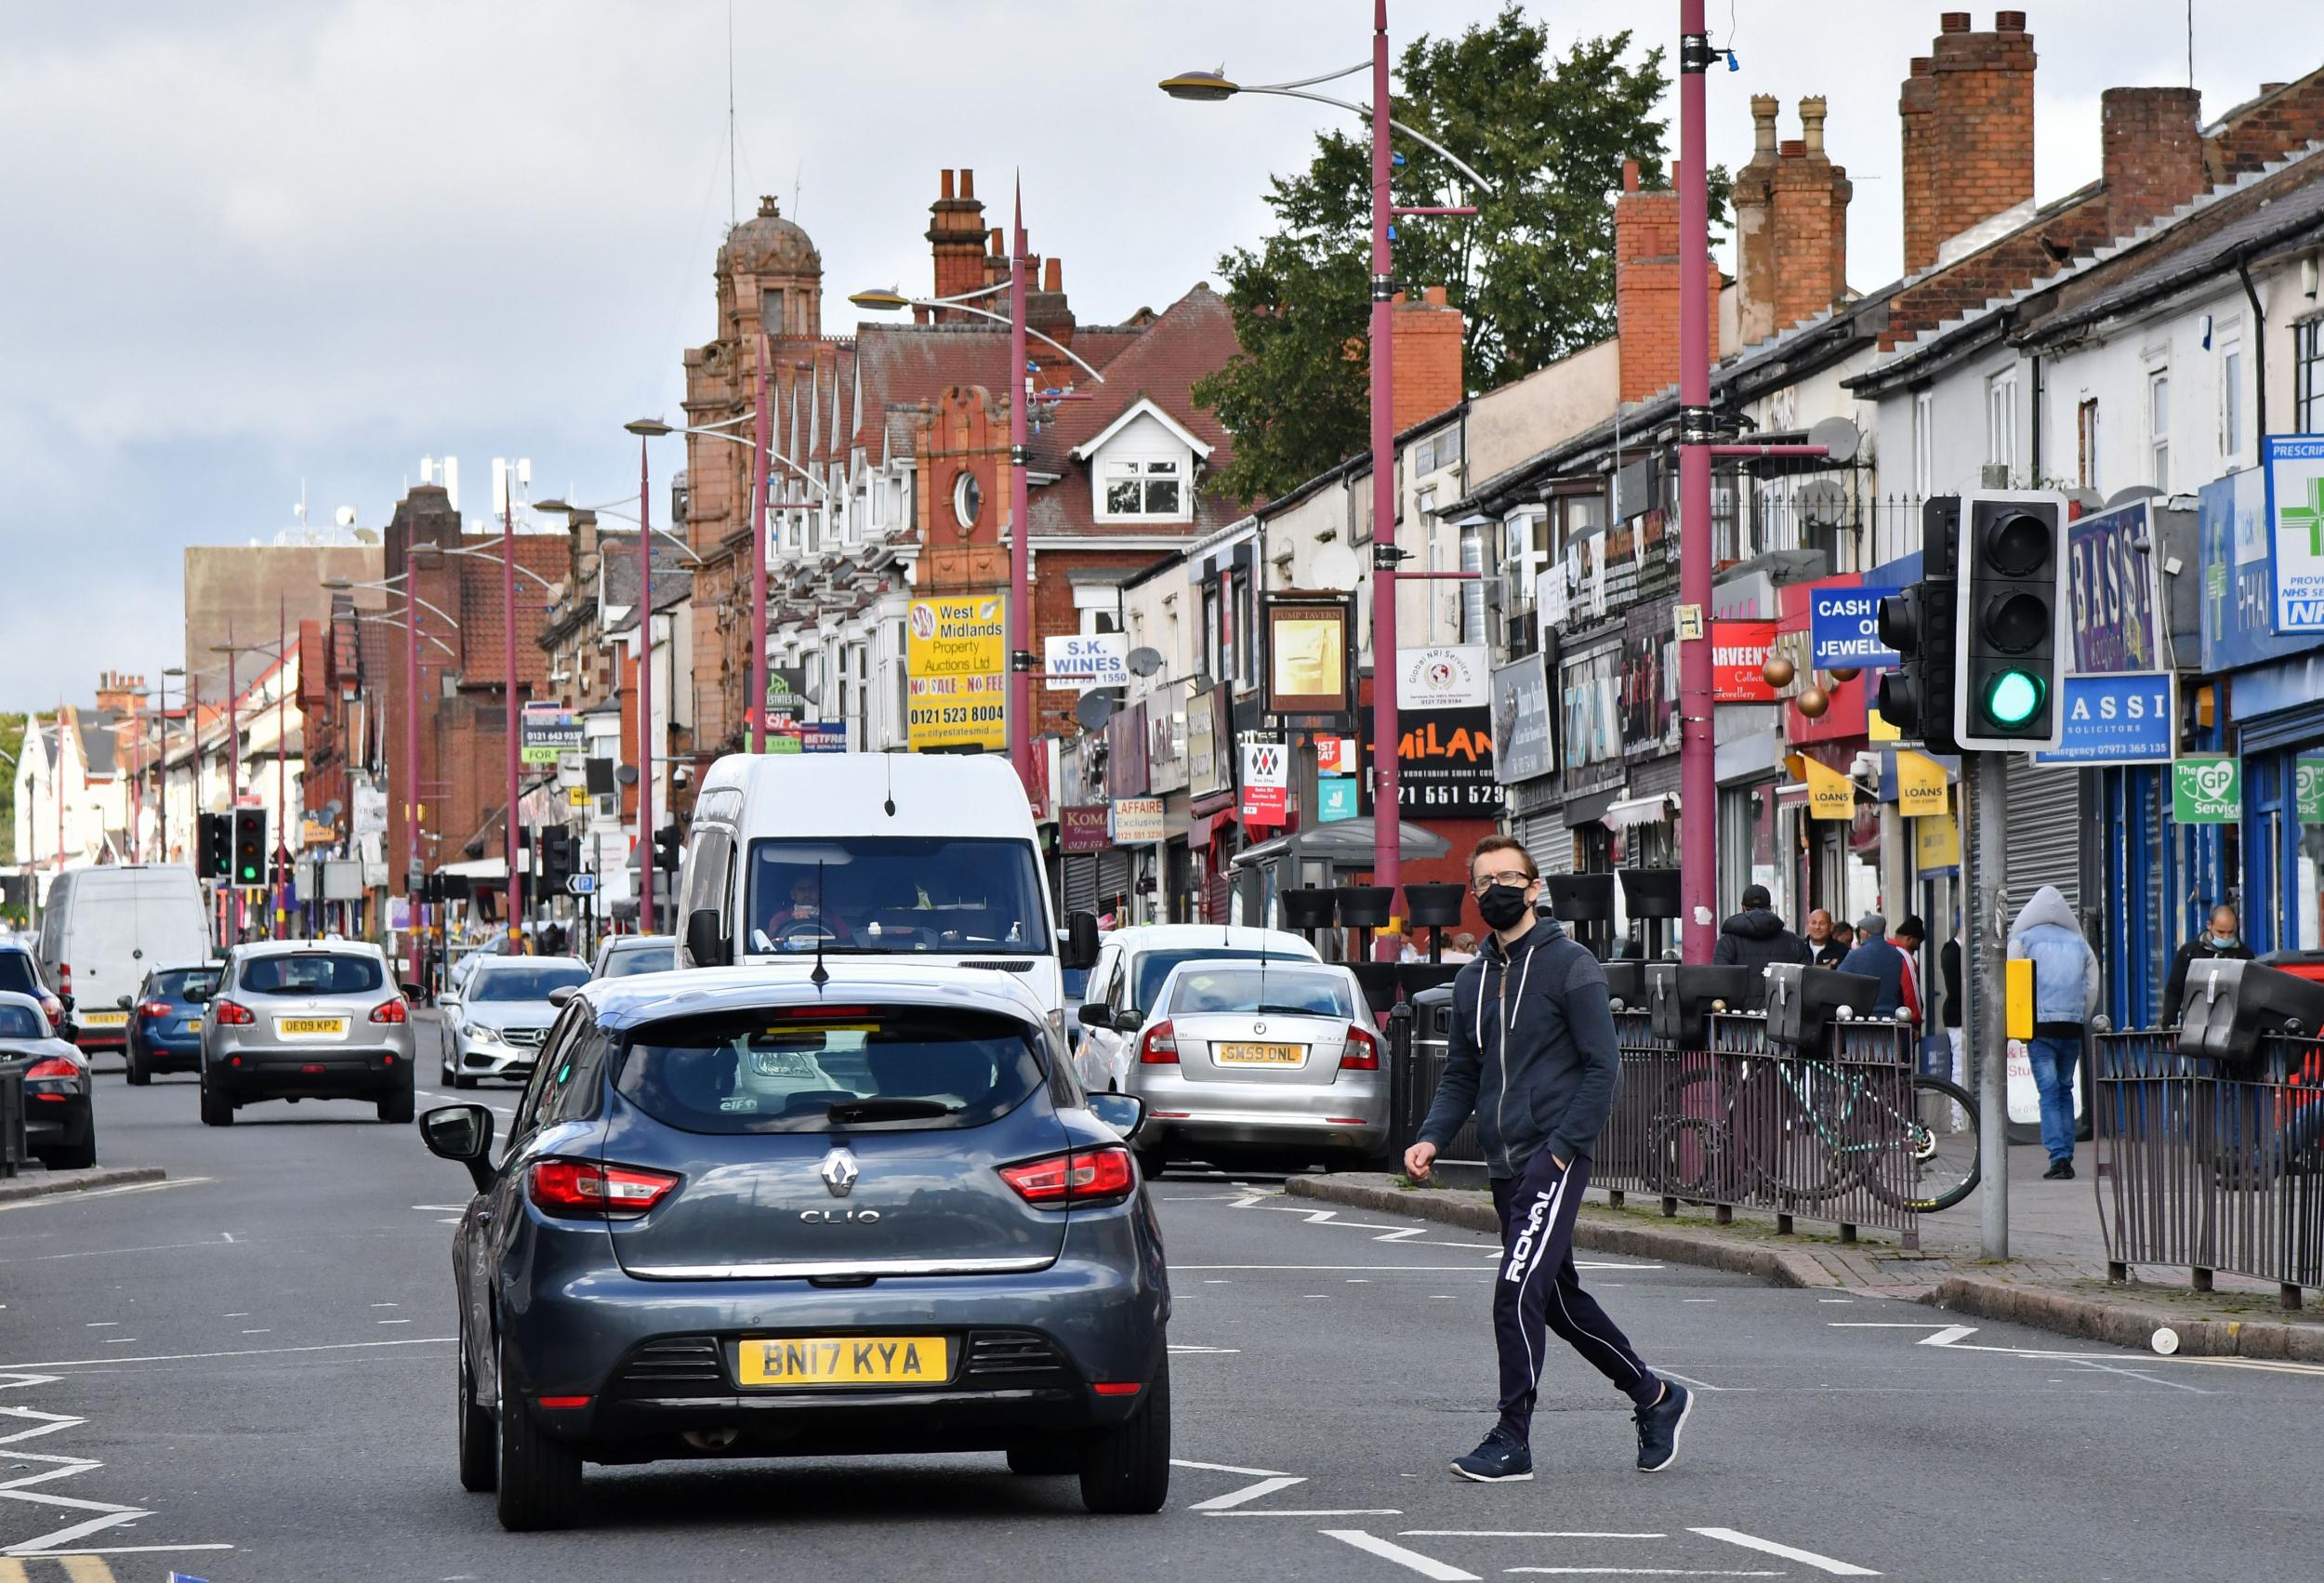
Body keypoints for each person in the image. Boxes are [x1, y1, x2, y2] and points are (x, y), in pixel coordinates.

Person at [1406, 835, 1692, 1484]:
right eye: (1486, 880)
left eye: (1512, 876)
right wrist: (1430, 1136)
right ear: (1474, 895)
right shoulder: (1472, 978)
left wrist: (1563, 1149)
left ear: (1534, 887)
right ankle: (1655, 1396)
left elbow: (1603, 1067)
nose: (1499, 888)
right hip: (1504, 1163)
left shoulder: (1572, 965)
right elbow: (1461, 1075)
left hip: (1553, 1159)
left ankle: (1513, 1436)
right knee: (1557, 1302)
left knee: (1514, 1290)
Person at [2007, 885, 2100, 1181]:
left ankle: (2058, 1156)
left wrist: (2017, 1023)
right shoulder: (2080, 943)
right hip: (2070, 1027)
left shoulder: (2023, 941)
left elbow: (2014, 983)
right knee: (2065, 1088)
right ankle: (2067, 1154)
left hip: (2040, 1028)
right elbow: (2092, 986)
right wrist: (2080, 1017)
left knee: (2048, 1091)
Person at [2159, 904, 2253, 1025]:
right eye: (2220, 932)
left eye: (2230, 932)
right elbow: (2174, 990)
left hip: (2230, 1025)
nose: (2226, 937)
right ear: (2209, 925)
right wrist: (2168, 1025)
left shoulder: (2244, 955)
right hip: (2195, 1024)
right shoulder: (2189, 952)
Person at [1837, 912, 1919, 1022]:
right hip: (1891, 1017)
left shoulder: (1855, 955)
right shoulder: (1897, 955)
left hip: (1862, 1019)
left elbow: (1839, 981)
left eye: (1860, 930)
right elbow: (1905, 988)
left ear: (1865, 933)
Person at [1711, 885, 1814, 971]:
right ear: (1769, 908)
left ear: (1742, 907)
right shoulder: (1794, 942)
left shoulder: (1727, 942)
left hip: (1739, 995)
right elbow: (1805, 980)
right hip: (1780, 995)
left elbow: (1721, 979)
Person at [1940, 919, 1965, 1088]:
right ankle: (1957, 1113)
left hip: (1958, 1015)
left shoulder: (1956, 950)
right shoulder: (1951, 950)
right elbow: (1956, 988)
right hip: (1957, 1016)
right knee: (1960, 1066)